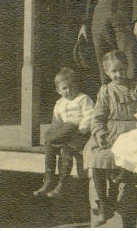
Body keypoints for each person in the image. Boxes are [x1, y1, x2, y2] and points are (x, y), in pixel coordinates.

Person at [83, 50, 137, 227]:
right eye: (114, 71)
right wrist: (100, 133)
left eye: (122, 70)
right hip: (111, 132)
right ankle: (103, 204)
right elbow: (98, 116)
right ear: (107, 72)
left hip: (133, 132)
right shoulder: (106, 91)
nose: (118, 74)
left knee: (124, 164)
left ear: (127, 68)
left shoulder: (136, 87)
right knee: (97, 159)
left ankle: (115, 200)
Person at [33, 67, 93, 198]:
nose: (69, 90)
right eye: (65, 88)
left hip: (79, 134)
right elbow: (56, 121)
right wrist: (54, 133)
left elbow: (89, 116)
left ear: (77, 85)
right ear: (58, 91)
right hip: (64, 136)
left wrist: (81, 130)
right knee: (50, 145)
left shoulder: (83, 99)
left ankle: (62, 184)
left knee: (68, 127)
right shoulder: (59, 103)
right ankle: (48, 180)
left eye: (72, 86)